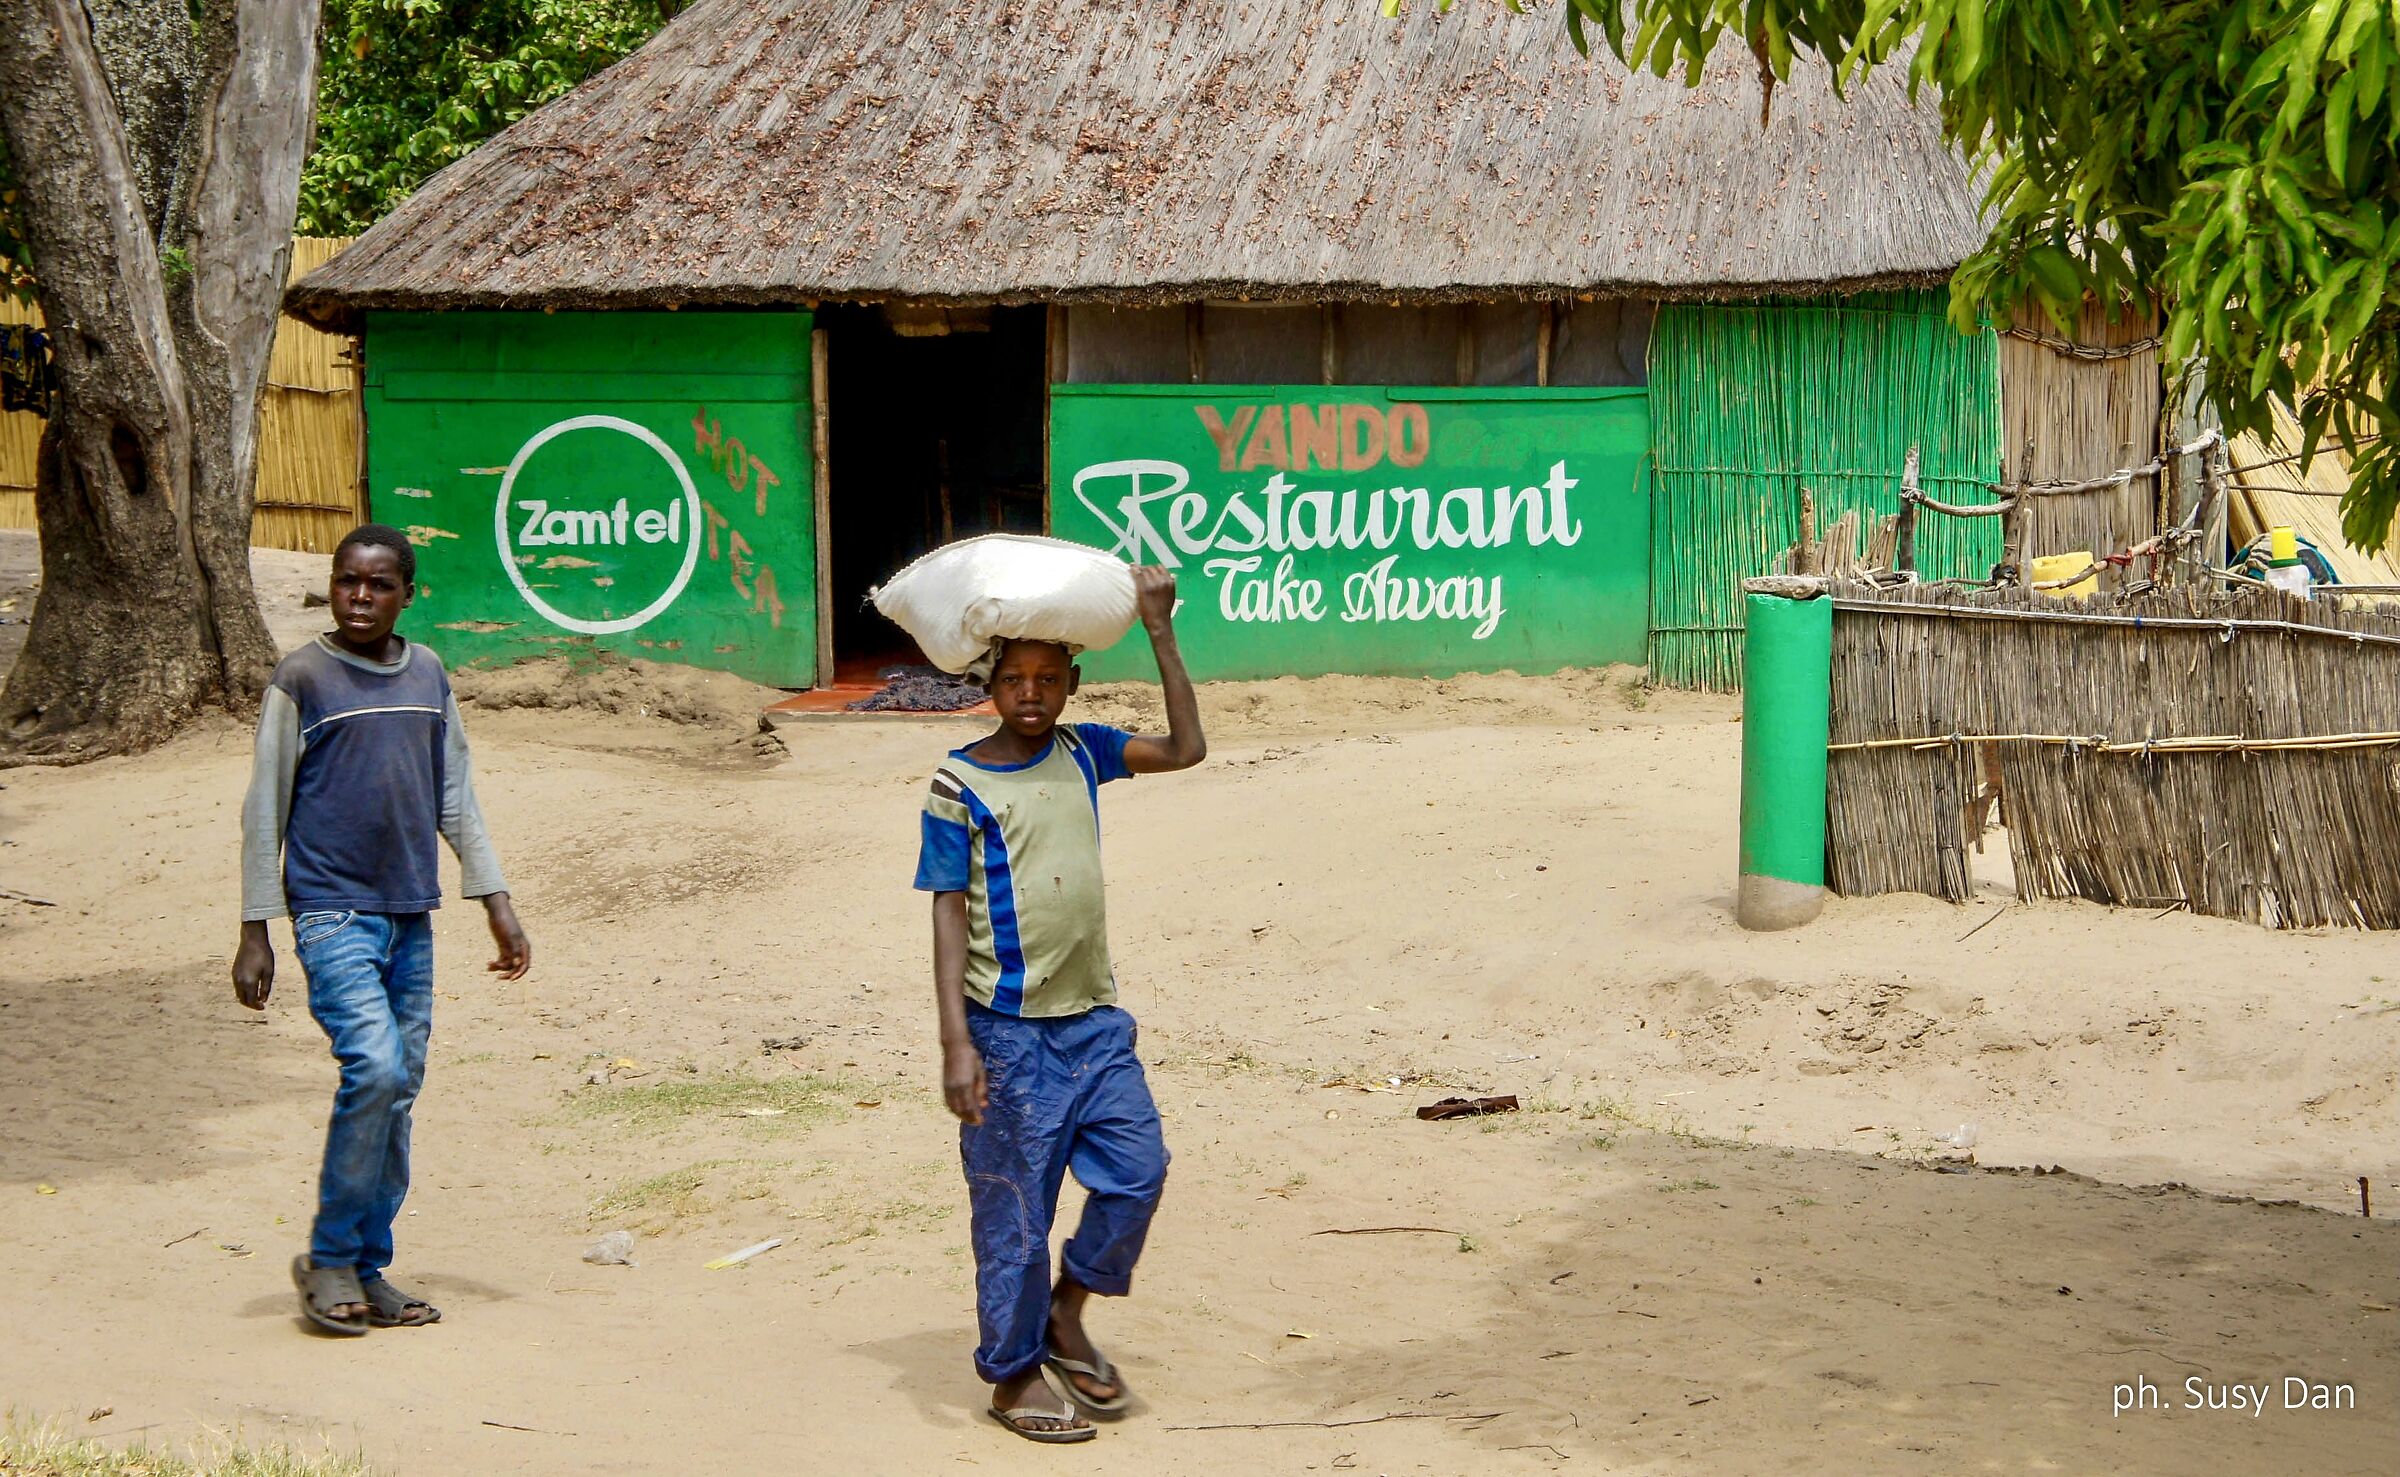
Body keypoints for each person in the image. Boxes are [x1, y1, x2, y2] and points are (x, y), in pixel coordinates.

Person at [916, 566, 1207, 1443]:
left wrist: (1159, 629)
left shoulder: (1087, 752)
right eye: (1014, 680)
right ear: (988, 688)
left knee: (1138, 1171)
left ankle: (1066, 1310)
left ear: (1072, 684)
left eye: (1048, 679)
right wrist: (955, 1045)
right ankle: (1010, 1376)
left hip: (1093, 1023)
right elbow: (946, 908)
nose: (1031, 694)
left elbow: (1188, 748)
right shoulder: (957, 784)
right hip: (1005, 1036)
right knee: (1014, 1208)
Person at [232, 523, 530, 1336]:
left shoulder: (429, 671)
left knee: (398, 1089)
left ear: (407, 593)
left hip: (410, 913)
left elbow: (454, 792)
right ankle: (330, 1258)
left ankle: (366, 1265)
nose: (359, 597)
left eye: (378, 584)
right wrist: (257, 926)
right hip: (330, 909)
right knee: (372, 1063)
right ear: (331, 586)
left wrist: (494, 897)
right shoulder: (302, 676)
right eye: (346, 582)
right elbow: (267, 806)